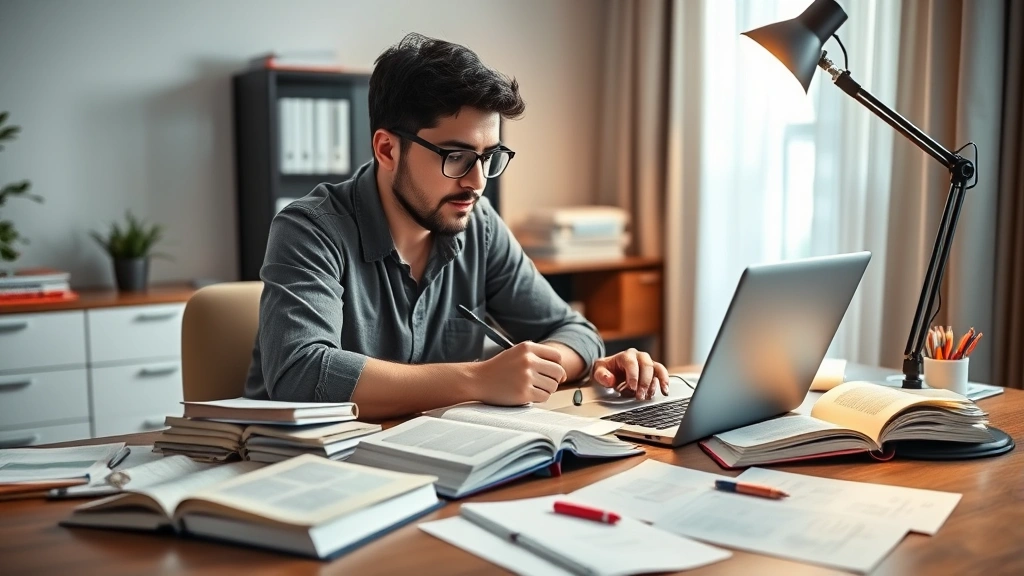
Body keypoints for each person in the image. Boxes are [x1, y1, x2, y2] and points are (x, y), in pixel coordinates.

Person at [244, 33, 670, 419]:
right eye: (456, 156)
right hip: (306, 474)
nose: (478, 181)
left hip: (433, 463)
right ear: (388, 149)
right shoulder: (309, 229)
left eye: (488, 156)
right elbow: (300, 374)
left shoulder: (478, 225)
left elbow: (576, 332)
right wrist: (478, 379)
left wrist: (545, 366)